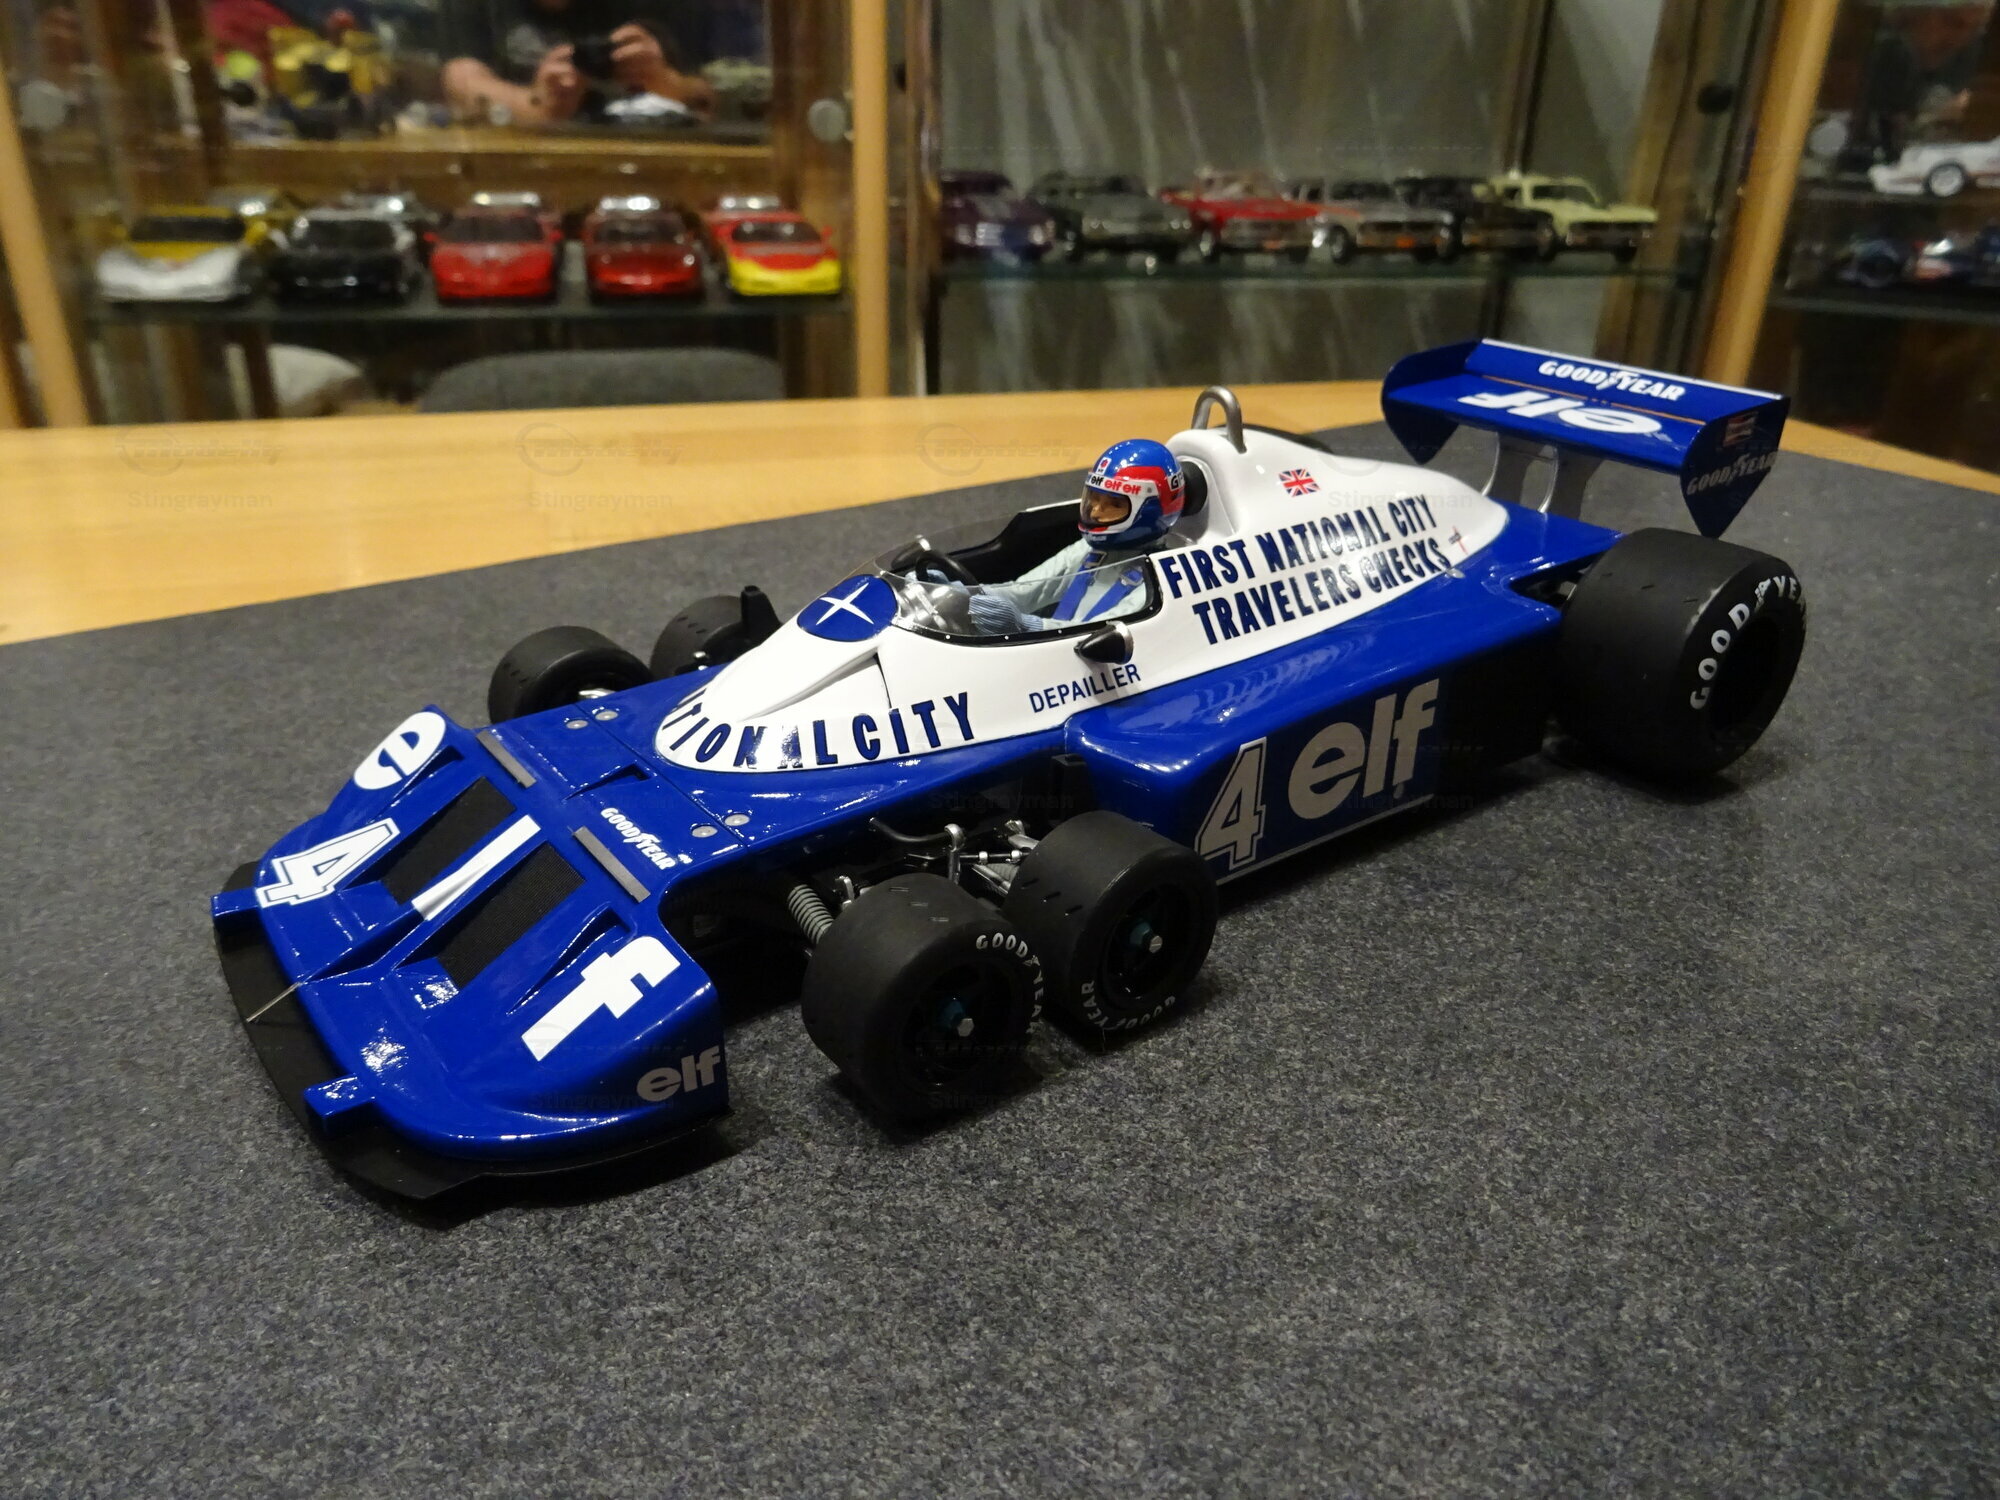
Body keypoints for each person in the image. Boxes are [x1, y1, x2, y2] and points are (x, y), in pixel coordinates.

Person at [964, 439, 1185, 636]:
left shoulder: (1160, 583)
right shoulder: (1088, 550)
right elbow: (1024, 590)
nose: (1095, 512)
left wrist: (1025, 627)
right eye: (1095, 498)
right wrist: (962, 595)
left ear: (1149, 511)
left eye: (1114, 504)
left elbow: (1099, 634)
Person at [440, 0, 719, 124]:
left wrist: (666, 84)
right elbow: (461, 81)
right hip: (520, 159)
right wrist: (538, 107)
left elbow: (714, 94)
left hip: (648, 159)